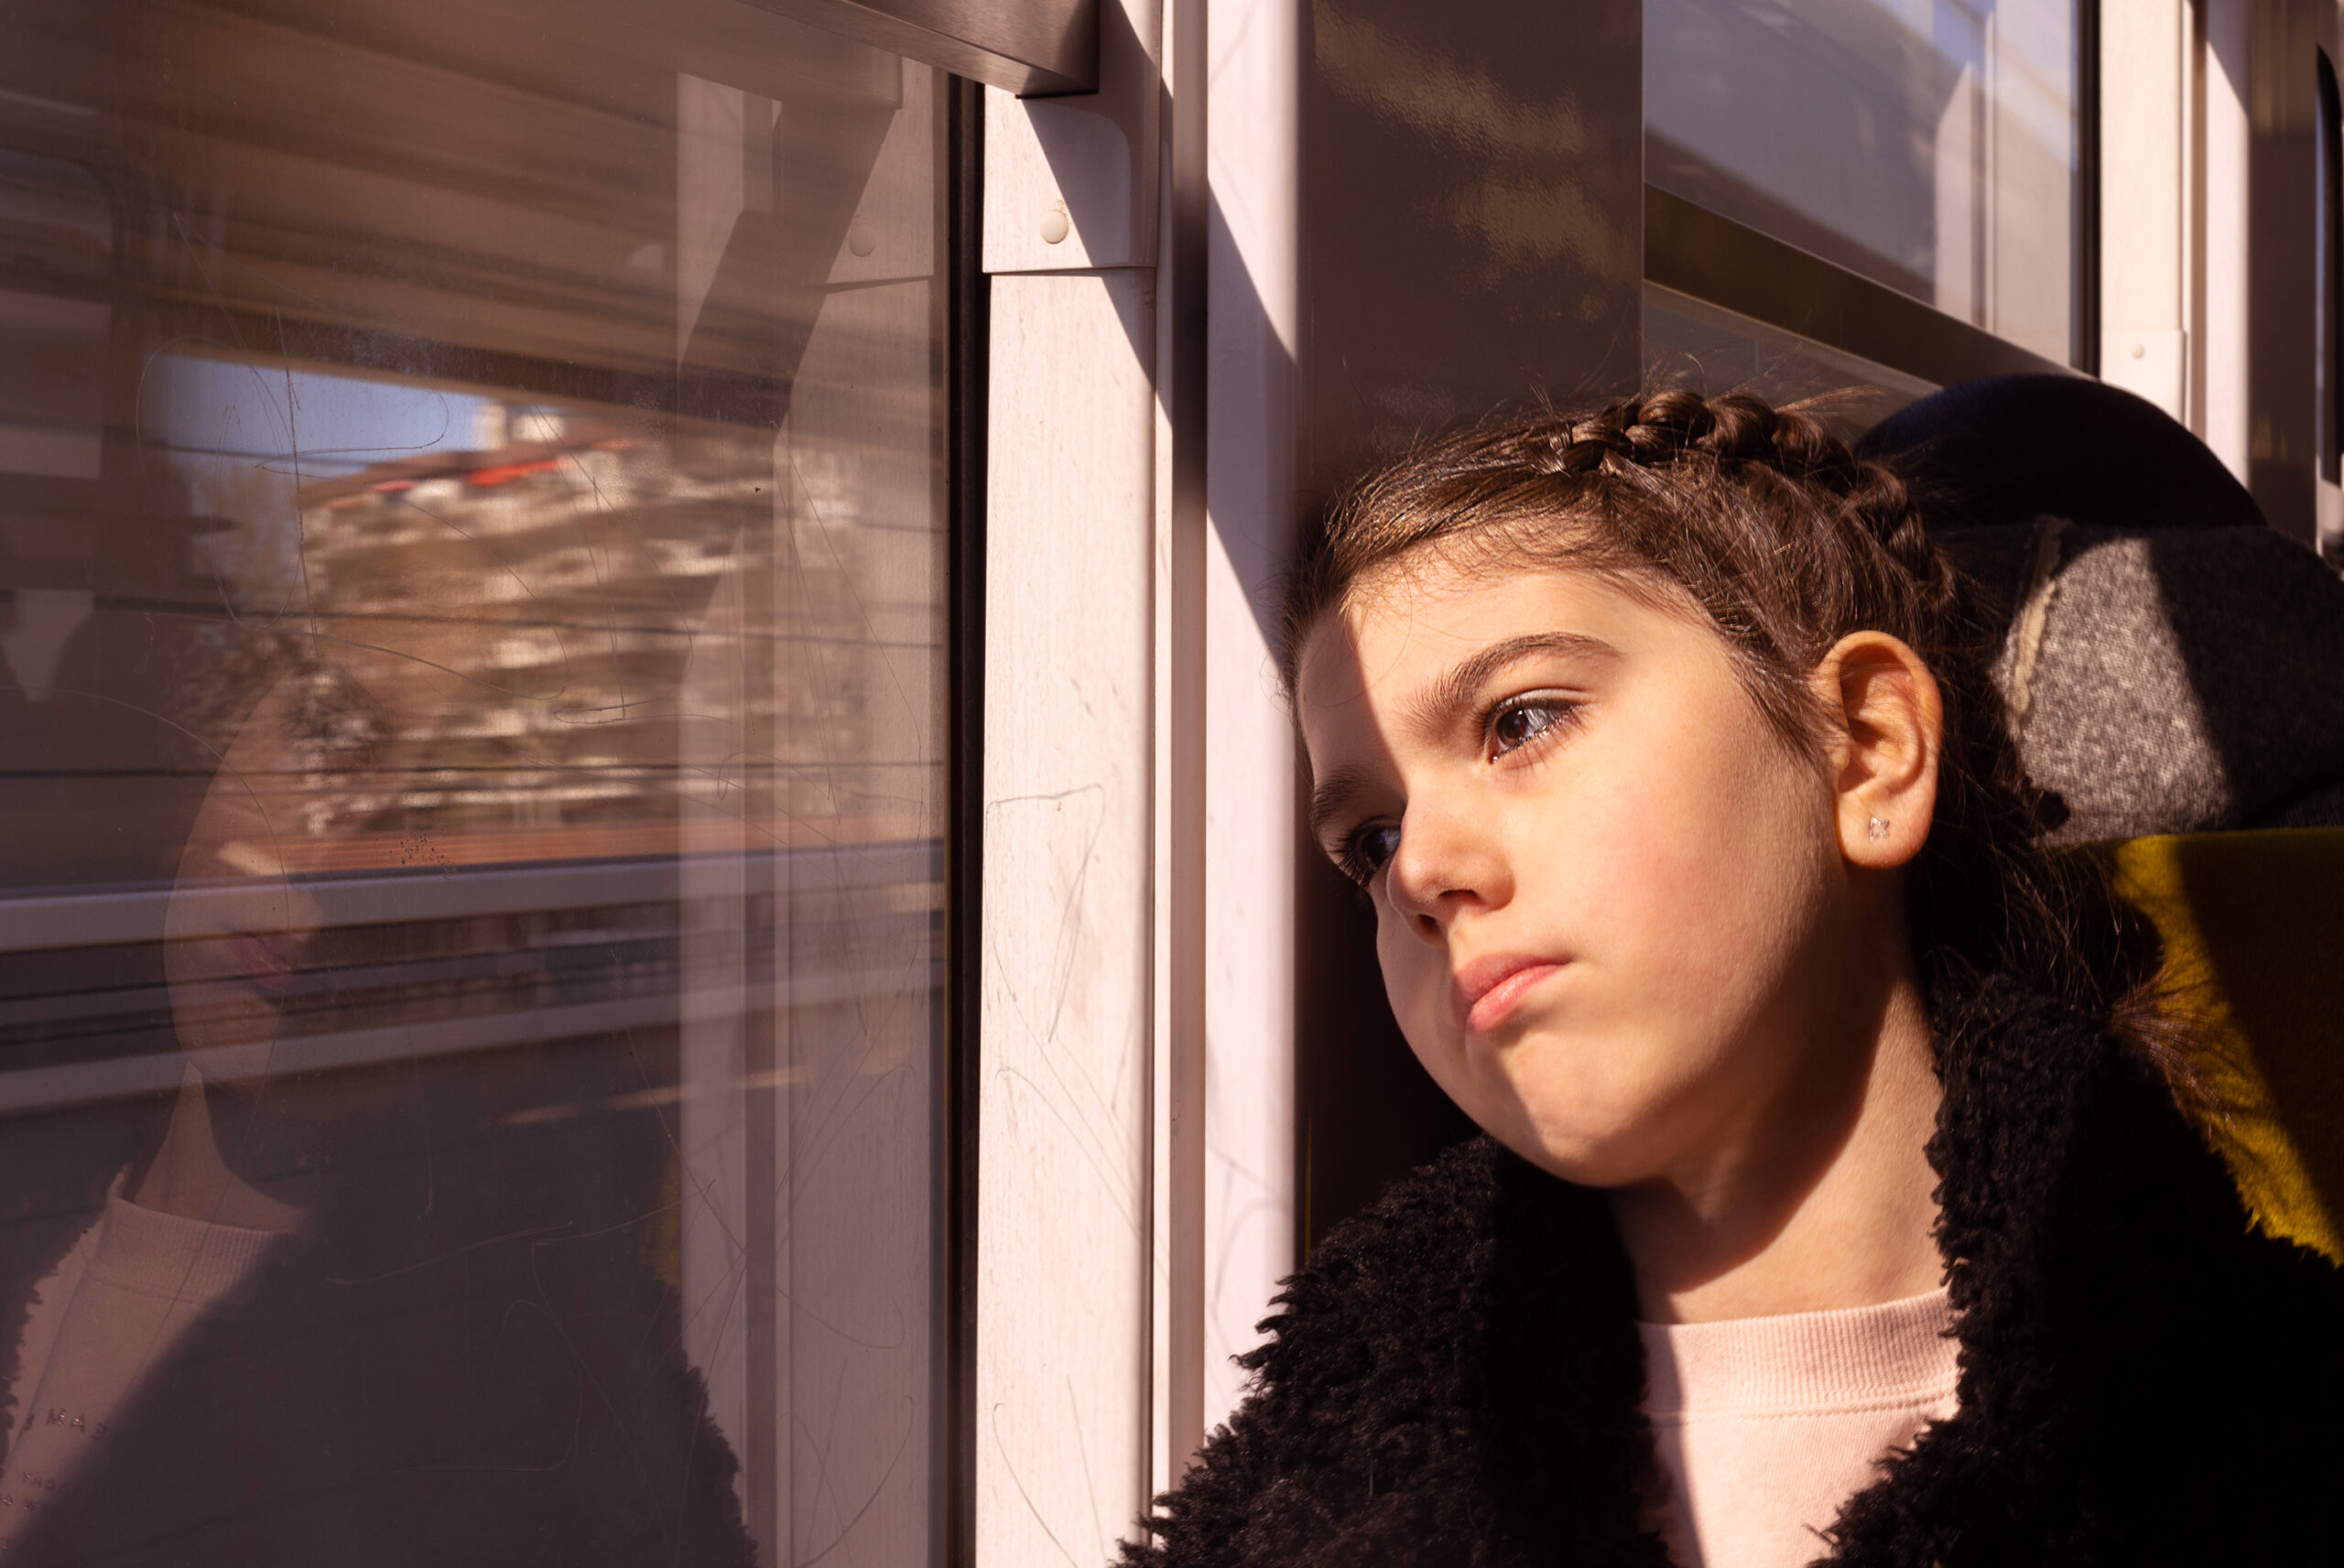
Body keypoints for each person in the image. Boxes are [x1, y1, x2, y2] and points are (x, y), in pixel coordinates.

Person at [1123, 389, 2344, 1566]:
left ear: (1865, 751)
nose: (1420, 870)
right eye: (1369, 842)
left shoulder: (2271, 1423)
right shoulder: (1325, 1471)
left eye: (1520, 723)